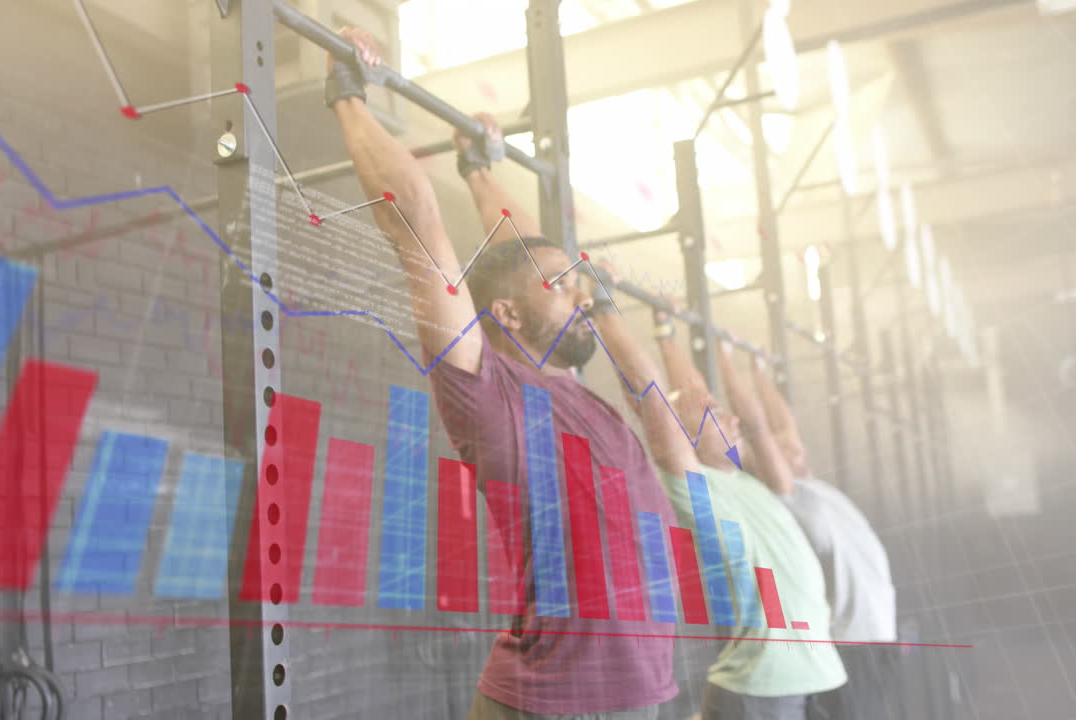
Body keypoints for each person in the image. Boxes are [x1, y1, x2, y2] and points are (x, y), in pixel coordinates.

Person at [324, 29, 678, 720]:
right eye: (564, 289)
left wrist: (480, 169)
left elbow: (522, 262)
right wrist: (348, 91)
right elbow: (418, 226)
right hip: (555, 704)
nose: (584, 298)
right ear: (509, 316)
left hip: (630, 697)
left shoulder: (567, 384)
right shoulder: (486, 389)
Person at [590, 286, 846, 720]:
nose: (731, 417)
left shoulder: (741, 479)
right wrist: (599, 302)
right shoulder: (693, 489)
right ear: (683, 438)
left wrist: (665, 328)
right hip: (763, 687)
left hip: (808, 679)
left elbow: (689, 394)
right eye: (714, 412)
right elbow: (650, 396)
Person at [747, 355, 900, 720]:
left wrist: (759, 372)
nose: (789, 444)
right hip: (852, 644)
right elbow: (759, 431)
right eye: (778, 448)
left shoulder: (815, 488)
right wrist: (721, 359)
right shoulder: (794, 500)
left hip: (872, 641)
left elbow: (783, 424)